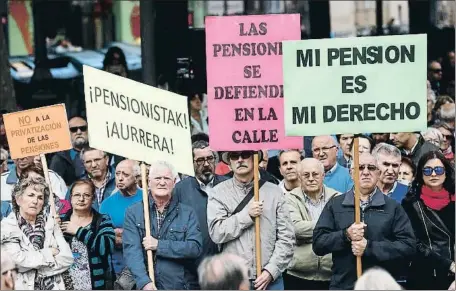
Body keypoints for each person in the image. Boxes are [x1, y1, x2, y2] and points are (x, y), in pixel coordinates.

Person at [312, 153, 416, 290]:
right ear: (351, 173)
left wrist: (369, 247)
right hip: (343, 285)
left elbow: (408, 247)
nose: (366, 172)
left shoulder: (393, 207)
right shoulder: (335, 204)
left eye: (371, 168)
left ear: (378, 173)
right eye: (360, 168)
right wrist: (345, 235)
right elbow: (318, 244)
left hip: (380, 286)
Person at [207, 150, 295, 290]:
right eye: (235, 156)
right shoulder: (218, 193)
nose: (240, 159)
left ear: (255, 159)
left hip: (271, 281)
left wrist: (271, 271)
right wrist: (246, 216)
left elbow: (287, 237)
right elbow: (217, 233)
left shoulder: (274, 192)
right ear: (229, 163)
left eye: (245, 155)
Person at [123, 161, 202, 290]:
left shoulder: (187, 213)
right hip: (148, 286)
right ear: (149, 182)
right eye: (158, 178)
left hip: (179, 286)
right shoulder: (133, 212)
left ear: (174, 182)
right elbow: (132, 252)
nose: (162, 182)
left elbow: (195, 248)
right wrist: (144, 282)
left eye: (166, 178)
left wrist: (159, 245)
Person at [0, 176, 73, 290]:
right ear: (18, 199)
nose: (35, 201)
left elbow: (67, 258)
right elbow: (15, 262)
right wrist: (49, 253)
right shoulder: (7, 226)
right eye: (31, 195)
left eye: (40, 197)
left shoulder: (51, 222)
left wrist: (32, 267)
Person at [402, 151, 455, 290]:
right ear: (420, 173)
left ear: (446, 172)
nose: (433, 174)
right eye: (427, 170)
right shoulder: (411, 203)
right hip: (424, 273)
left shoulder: (454, 200)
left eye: (438, 170)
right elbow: (413, 242)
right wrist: (448, 264)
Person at [284, 158, 339, 290]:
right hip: (297, 275)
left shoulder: (338, 198)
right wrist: (328, 228)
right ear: (299, 177)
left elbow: (342, 231)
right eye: (306, 175)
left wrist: (308, 231)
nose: (311, 178)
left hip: (331, 274)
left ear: (323, 176)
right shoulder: (288, 199)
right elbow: (296, 229)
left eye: (315, 174)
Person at [173, 141, 228, 268]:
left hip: (225, 263)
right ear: (191, 163)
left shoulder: (228, 185)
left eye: (210, 158)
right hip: (194, 266)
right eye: (200, 160)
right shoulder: (179, 190)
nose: (206, 164)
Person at [61, 179, 116, 289]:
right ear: (70, 198)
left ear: (93, 199)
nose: (81, 199)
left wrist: (78, 231)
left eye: (86, 195)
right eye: (77, 195)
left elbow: (106, 247)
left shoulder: (102, 220)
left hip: (96, 285)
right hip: (66, 285)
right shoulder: (61, 221)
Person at [99, 160, 143, 279]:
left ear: (136, 178)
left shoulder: (147, 198)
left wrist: (124, 234)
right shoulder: (106, 204)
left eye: (125, 174)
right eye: (118, 174)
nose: (120, 178)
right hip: (119, 265)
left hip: (145, 262)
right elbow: (104, 236)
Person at [66, 147, 116, 211]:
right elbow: (64, 212)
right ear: (84, 164)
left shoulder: (121, 181)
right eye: (88, 162)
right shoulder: (75, 186)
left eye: (97, 160)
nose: (93, 165)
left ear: (106, 160)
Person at [1, 155, 68, 203]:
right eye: (16, 153)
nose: (21, 158)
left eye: (25, 153)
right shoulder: (2, 180)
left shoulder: (51, 177)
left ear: (35, 154)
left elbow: (63, 208)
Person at [50, 115, 89, 186]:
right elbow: (55, 186)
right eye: (73, 129)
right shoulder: (58, 159)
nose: (79, 132)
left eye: (83, 128)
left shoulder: (99, 152)